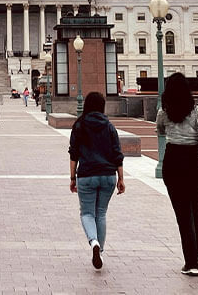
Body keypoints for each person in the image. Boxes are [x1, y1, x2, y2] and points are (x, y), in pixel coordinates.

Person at [155, 73, 198, 276]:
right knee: (195, 205)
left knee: (182, 212)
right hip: (196, 162)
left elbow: (159, 130)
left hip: (174, 160)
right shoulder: (196, 111)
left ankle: (191, 262)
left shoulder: (164, 111)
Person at [68, 91, 125, 271]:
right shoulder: (109, 127)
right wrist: (121, 178)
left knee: (86, 214)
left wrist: (72, 178)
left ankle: (94, 243)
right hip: (108, 175)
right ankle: (100, 251)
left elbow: (74, 154)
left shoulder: (79, 126)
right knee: (101, 213)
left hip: (86, 175)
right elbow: (118, 154)